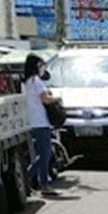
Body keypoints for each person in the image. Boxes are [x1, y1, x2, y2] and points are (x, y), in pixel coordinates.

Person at [23, 53, 61, 197]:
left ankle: (41, 182)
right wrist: (58, 98)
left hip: (33, 122)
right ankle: (33, 177)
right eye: (41, 65)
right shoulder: (36, 81)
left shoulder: (27, 82)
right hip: (39, 122)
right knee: (46, 154)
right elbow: (46, 99)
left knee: (43, 154)